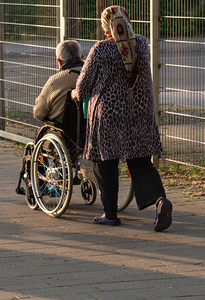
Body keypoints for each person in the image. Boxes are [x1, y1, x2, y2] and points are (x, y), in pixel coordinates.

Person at [71, 5, 173, 232]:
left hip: (109, 115)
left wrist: (75, 93)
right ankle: (159, 201)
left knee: (105, 162)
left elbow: (84, 83)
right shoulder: (143, 43)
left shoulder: (101, 49)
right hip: (140, 113)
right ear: (126, 21)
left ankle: (110, 214)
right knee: (140, 162)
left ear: (106, 26)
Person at [33, 40, 83, 123]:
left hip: (62, 130)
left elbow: (38, 113)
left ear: (59, 62)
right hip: (89, 129)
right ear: (81, 57)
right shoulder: (92, 75)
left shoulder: (54, 81)